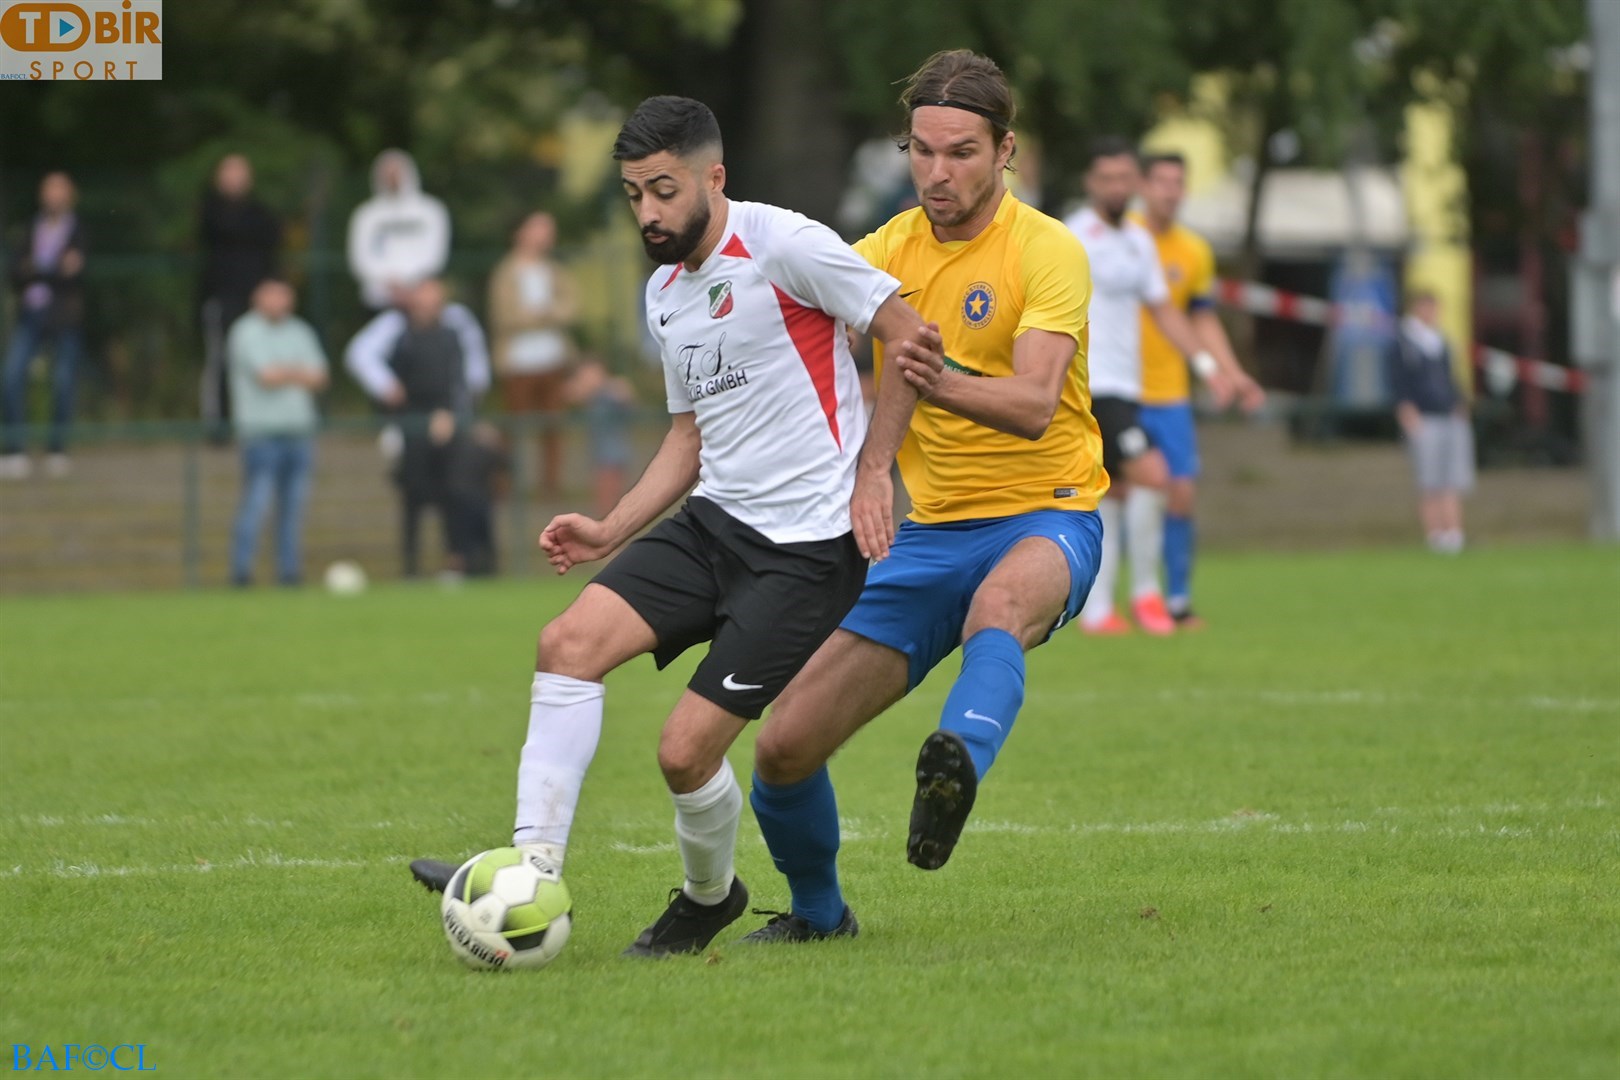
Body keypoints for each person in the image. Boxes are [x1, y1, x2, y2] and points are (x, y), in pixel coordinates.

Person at [407, 95, 939, 957]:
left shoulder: (785, 244)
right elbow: (689, 437)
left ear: (712, 177)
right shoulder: (663, 294)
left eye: (662, 190)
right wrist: (608, 529)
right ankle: (531, 868)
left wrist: (876, 467)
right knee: (565, 643)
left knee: (684, 753)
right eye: (632, 195)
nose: (647, 213)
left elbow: (910, 334)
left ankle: (706, 898)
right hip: (713, 525)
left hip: (805, 552)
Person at [742, 49, 1103, 942]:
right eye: (924, 151)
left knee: (1000, 607)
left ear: (1005, 150)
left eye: (963, 153)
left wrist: (927, 381)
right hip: (928, 536)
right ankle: (821, 918)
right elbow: (777, 306)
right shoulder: (882, 253)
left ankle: (955, 768)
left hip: (1047, 513)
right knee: (784, 748)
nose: (939, 173)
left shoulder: (1046, 250)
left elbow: (1029, 405)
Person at [1065, 139, 1231, 636]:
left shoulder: (1138, 243)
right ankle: (1147, 597)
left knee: (1115, 496)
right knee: (1154, 475)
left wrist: (1207, 367)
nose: (1116, 187)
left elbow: (1165, 312)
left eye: (1123, 178)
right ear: (1091, 184)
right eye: (1106, 178)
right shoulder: (1073, 236)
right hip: (1092, 385)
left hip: (1127, 388)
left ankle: (1098, 612)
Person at [1132, 152, 1265, 627]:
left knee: (1181, 493)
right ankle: (1104, 603)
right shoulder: (1119, 237)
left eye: (1177, 182)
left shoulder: (1194, 251)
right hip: (1117, 390)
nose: (1170, 191)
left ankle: (1178, 601)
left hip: (1170, 393)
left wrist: (1228, 372)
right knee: (1117, 496)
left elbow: (1202, 319)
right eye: (1161, 181)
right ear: (1142, 186)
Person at [345, 279, 491, 576]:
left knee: (456, 491)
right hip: (411, 426)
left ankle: (458, 560)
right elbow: (360, 356)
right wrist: (387, 387)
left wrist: (455, 415)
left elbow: (465, 379)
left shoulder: (453, 333)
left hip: (449, 425)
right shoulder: (399, 333)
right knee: (413, 494)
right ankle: (411, 566)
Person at [227, 279, 329, 586]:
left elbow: (321, 376)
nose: (279, 303)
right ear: (258, 298)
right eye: (272, 296)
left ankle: (289, 572)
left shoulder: (300, 330)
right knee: (257, 504)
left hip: (300, 432)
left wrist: (286, 371)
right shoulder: (246, 331)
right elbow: (266, 376)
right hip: (261, 434)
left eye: (284, 296)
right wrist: (299, 372)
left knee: (293, 509)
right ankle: (242, 572)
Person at [487, 211, 579, 496]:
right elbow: (505, 316)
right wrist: (544, 316)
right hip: (518, 362)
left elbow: (571, 305)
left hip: (552, 359)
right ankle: (504, 482)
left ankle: (550, 484)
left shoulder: (553, 270)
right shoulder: (506, 272)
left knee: (552, 426)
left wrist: (541, 315)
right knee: (514, 426)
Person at [2, 172, 86, 480]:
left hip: (65, 316)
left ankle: (57, 448)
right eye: (48, 190)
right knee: (11, 374)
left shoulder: (78, 230)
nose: (52, 196)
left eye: (58, 190)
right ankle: (14, 449)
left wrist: (36, 268)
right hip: (30, 314)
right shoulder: (29, 228)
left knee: (63, 380)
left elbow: (76, 272)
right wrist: (52, 269)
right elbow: (16, 271)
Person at [199, 153, 282, 438]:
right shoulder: (211, 211)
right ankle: (220, 426)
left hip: (256, 298)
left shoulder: (261, 214)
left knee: (259, 360)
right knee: (222, 360)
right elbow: (221, 229)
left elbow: (271, 246)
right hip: (222, 297)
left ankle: (259, 422)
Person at [1388, 290, 1473, 553]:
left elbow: (1450, 377)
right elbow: (1397, 381)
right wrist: (1406, 410)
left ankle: (1454, 533)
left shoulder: (1441, 340)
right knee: (1430, 480)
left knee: (1452, 478)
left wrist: (1459, 404)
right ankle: (1435, 535)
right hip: (1423, 418)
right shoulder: (1402, 342)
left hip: (1448, 415)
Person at [346, 149, 450, 310]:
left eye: (396, 172)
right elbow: (360, 260)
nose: (392, 179)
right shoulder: (366, 215)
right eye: (388, 173)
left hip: (421, 298)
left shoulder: (431, 211)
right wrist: (389, 283)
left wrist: (410, 284)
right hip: (378, 297)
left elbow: (435, 255)